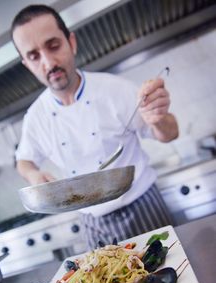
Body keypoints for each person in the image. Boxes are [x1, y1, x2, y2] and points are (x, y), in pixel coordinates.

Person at [11, 5, 179, 250]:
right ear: (26, 63)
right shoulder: (35, 117)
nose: (48, 63)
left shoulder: (115, 89)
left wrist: (158, 117)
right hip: (92, 223)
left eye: (53, 45)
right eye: (34, 56)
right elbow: (23, 161)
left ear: (71, 42)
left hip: (144, 207)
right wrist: (34, 175)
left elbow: (170, 133)